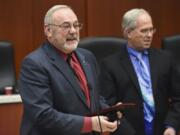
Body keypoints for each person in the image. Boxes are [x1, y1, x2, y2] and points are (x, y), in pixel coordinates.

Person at [18, 5, 120, 135]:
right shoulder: (34, 64)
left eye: (76, 25)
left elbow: (93, 98)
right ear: (48, 30)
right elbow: (42, 115)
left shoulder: (87, 57)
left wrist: (111, 111)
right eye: (66, 26)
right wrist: (90, 124)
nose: (73, 31)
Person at [99, 8, 180, 135]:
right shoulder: (110, 65)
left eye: (151, 29)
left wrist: (172, 126)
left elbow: (178, 98)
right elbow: (109, 106)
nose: (149, 35)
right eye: (144, 31)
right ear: (128, 33)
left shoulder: (166, 59)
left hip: (163, 130)